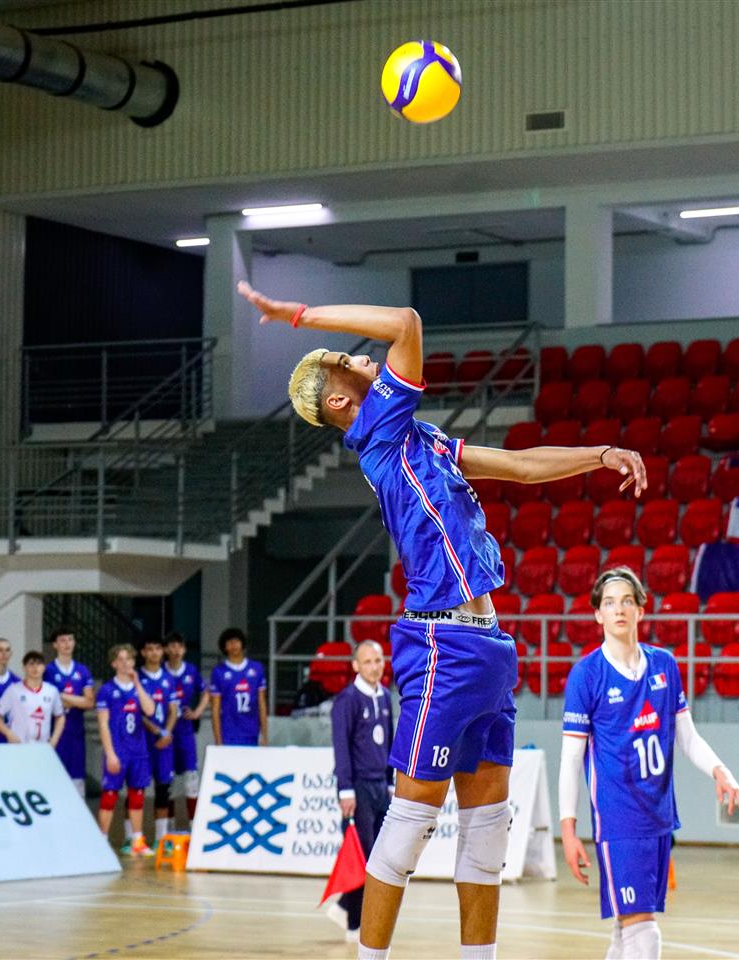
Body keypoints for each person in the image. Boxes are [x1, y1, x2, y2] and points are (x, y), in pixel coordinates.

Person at [237, 279, 645, 960]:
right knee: (406, 829)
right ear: (339, 401)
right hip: (440, 645)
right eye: (347, 360)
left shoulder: (418, 437)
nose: (363, 356)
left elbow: (518, 467)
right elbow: (406, 321)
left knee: (487, 835)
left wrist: (599, 454)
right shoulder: (378, 430)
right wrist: (299, 316)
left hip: (489, 647)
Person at [559, 567, 739, 960]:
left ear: (641, 610)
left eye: (627, 601)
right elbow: (571, 759)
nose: (619, 609)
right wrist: (569, 830)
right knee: (643, 930)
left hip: (659, 817)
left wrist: (721, 771)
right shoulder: (587, 676)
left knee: (626, 929)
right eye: (609, 603)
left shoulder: (664, 665)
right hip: (618, 819)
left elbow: (688, 737)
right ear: (597, 614)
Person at [328, 640, 395, 944]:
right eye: (367, 662)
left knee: (380, 856)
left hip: (380, 786)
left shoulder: (385, 697)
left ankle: (345, 907)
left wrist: (390, 781)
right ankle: (355, 923)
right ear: (355, 665)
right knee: (362, 856)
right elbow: (341, 746)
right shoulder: (347, 700)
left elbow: (389, 741)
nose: (373, 667)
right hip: (358, 788)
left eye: (377, 661)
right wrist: (345, 789)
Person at [96, 643, 158, 857]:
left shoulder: (141, 687)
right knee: (109, 795)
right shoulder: (106, 690)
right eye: (121, 659)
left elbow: (150, 710)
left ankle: (137, 840)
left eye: (129, 659)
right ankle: (102, 841)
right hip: (117, 751)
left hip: (138, 751)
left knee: (137, 796)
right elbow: (103, 724)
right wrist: (110, 753)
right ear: (114, 664)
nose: (125, 663)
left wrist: (137, 684)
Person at [44, 627, 96, 797]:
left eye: (70, 639)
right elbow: (48, 701)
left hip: (76, 733)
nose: (67, 644)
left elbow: (89, 702)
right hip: (54, 734)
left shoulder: (82, 670)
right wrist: (77, 700)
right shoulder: (48, 671)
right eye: (62, 640)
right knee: (53, 780)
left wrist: (61, 695)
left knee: (77, 782)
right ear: (55, 645)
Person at [138, 636, 179, 844]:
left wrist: (167, 732)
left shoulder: (169, 679)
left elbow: (174, 710)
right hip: (143, 741)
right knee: (138, 788)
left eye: (157, 648)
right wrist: (156, 731)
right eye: (150, 648)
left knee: (163, 788)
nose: (154, 652)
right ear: (143, 653)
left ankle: (161, 839)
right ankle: (133, 838)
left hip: (164, 743)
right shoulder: (137, 677)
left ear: (162, 652)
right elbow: (136, 711)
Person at [164, 631, 208, 822]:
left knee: (191, 779)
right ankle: (168, 827)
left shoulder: (191, 670)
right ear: (166, 649)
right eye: (172, 646)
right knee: (168, 781)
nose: (176, 650)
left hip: (185, 731)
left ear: (184, 649)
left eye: (179, 646)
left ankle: (194, 825)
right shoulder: (161, 671)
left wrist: (198, 711)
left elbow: (206, 692)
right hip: (166, 731)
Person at [0, 651, 64, 747]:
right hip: (19, 746)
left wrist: (54, 739)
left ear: (44, 668)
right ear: (24, 667)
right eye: (31, 664)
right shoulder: (13, 690)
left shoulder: (52, 691)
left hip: (43, 747)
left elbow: (60, 716)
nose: (35, 667)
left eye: (39, 664)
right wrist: (8, 733)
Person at [210, 627, 268, 747]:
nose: (234, 645)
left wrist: (264, 734)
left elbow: (261, 703)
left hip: (251, 730)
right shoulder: (219, 671)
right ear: (224, 647)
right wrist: (218, 740)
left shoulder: (257, 668)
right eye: (229, 642)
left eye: (236, 641)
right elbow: (215, 708)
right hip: (228, 731)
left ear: (242, 643)